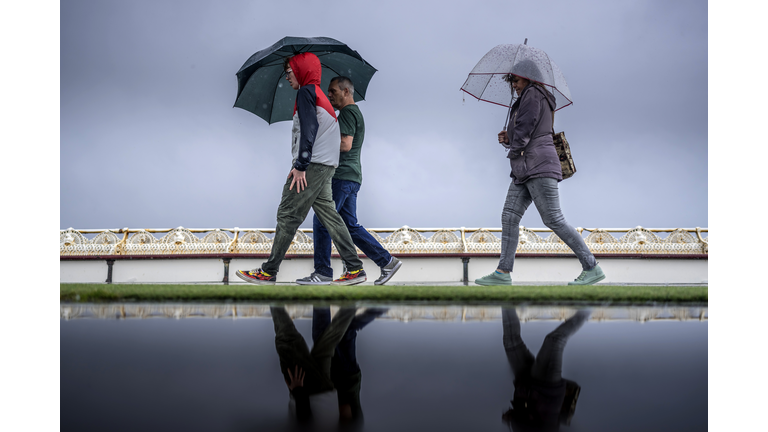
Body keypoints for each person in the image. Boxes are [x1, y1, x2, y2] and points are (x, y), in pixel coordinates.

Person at [236, 53, 367, 286]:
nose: (286, 77)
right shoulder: (316, 94)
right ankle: (355, 268)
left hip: (313, 165)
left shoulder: (306, 92)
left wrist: (300, 165)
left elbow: (309, 128)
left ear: (301, 69)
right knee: (330, 216)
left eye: (289, 72)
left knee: (287, 215)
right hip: (326, 165)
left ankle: (268, 272)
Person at [475, 70, 605, 286]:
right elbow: (528, 130)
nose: (513, 86)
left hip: (537, 164)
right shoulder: (531, 96)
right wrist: (509, 138)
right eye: (511, 82)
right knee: (509, 216)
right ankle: (503, 272)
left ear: (528, 77)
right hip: (526, 167)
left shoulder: (533, 94)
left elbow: (526, 130)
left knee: (553, 218)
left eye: (515, 80)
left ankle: (591, 267)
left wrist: (513, 147)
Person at [296, 76, 403, 286]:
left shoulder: (347, 112)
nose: (329, 95)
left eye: (333, 91)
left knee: (323, 221)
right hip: (352, 177)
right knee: (349, 225)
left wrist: (315, 146)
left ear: (346, 92)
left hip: (342, 177)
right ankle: (387, 262)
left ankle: (323, 272)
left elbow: (345, 144)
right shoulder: (354, 113)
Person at [500, 307, 590, 431]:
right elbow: (521, 421)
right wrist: (512, 419)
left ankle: (506, 301)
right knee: (554, 340)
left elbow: (522, 419)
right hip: (546, 387)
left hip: (525, 384)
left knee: (511, 342)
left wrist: (514, 418)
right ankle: (588, 309)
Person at [270, 305, 358, 422]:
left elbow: (345, 409)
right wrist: (298, 391)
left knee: (327, 341)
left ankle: (351, 304)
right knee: (286, 339)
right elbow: (305, 423)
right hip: (309, 393)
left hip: (327, 395)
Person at [313, 306, 388, 428]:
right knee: (322, 337)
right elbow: (345, 408)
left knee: (346, 330)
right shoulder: (352, 428)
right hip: (343, 377)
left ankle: (378, 307)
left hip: (348, 377)